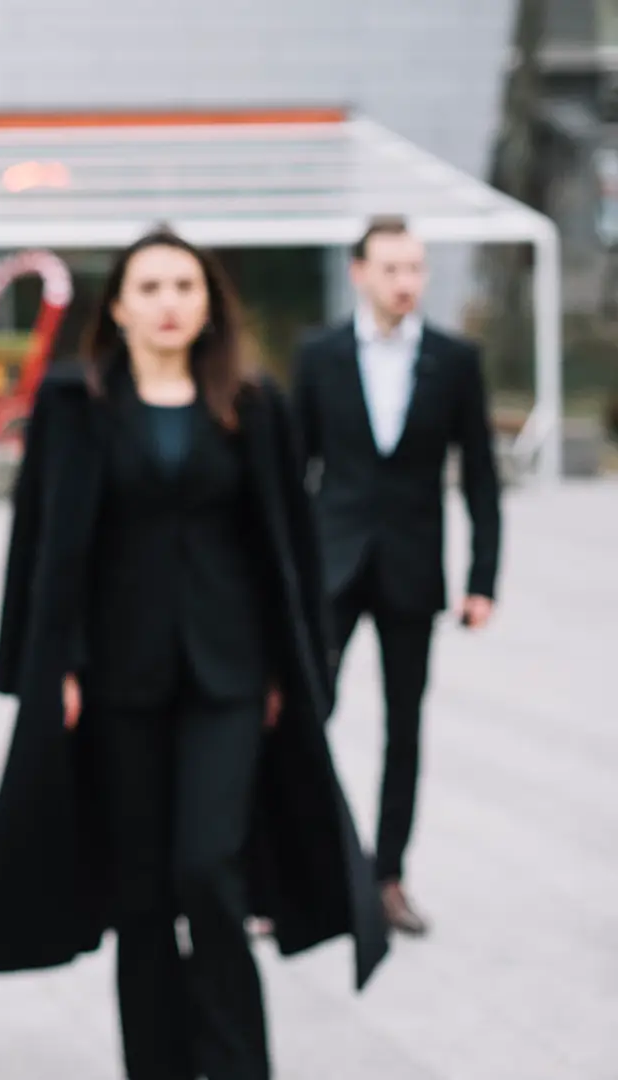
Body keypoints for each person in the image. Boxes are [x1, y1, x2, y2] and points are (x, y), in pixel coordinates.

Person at [0, 229, 388, 1080]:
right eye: (150, 287)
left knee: (207, 872)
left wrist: (295, 671)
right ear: (118, 306)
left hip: (230, 677)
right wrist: (49, 665)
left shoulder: (256, 404)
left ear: (210, 302)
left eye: (186, 285)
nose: (170, 301)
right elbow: (42, 543)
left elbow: (287, 548)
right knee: (140, 894)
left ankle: (239, 1066)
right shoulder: (75, 404)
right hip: (118, 678)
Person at [291, 215, 503, 937]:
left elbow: (480, 476)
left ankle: (388, 878)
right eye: (391, 268)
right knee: (304, 714)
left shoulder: (455, 359)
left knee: (404, 729)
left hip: (413, 570)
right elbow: (292, 473)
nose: (405, 282)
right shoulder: (317, 356)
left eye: (415, 268)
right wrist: (280, 574)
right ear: (359, 273)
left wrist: (483, 580)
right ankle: (291, 872)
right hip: (332, 566)